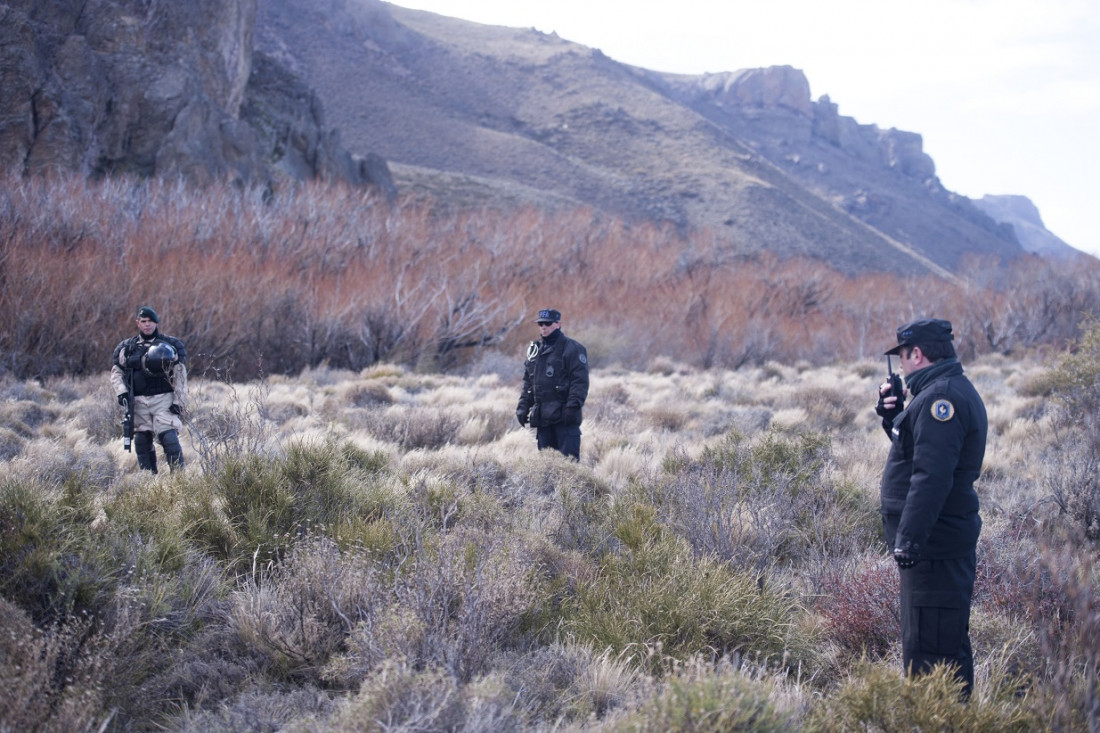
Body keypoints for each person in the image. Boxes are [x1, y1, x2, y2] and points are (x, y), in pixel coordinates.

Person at [875, 317, 987, 698]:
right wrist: (893, 419)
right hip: (932, 551)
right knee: (939, 647)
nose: (902, 367)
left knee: (931, 659)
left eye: (903, 357)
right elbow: (916, 455)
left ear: (917, 354)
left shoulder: (943, 399)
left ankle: (942, 722)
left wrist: (908, 541)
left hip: (934, 550)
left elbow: (931, 477)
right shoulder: (937, 394)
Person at [110, 306, 188, 473]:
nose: (147, 325)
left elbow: (180, 374)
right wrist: (121, 391)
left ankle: (179, 479)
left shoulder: (170, 345)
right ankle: (149, 481)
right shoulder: (128, 348)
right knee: (141, 441)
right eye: (143, 321)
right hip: (138, 402)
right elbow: (116, 372)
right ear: (138, 323)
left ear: (156, 322)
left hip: (163, 399)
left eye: (150, 321)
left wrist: (178, 402)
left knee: (169, 437)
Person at [515, 308, 589, 459]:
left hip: (565, 420)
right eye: (540, 323)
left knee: (569, 467)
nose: (543, 327)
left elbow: (579, 382)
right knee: (546, 469)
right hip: (543, 421)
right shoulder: (535, 350)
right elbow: (528, 383)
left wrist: (572, 408)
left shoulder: (573, 349)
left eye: (547, 323)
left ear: (558, 324)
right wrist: (523, 407)